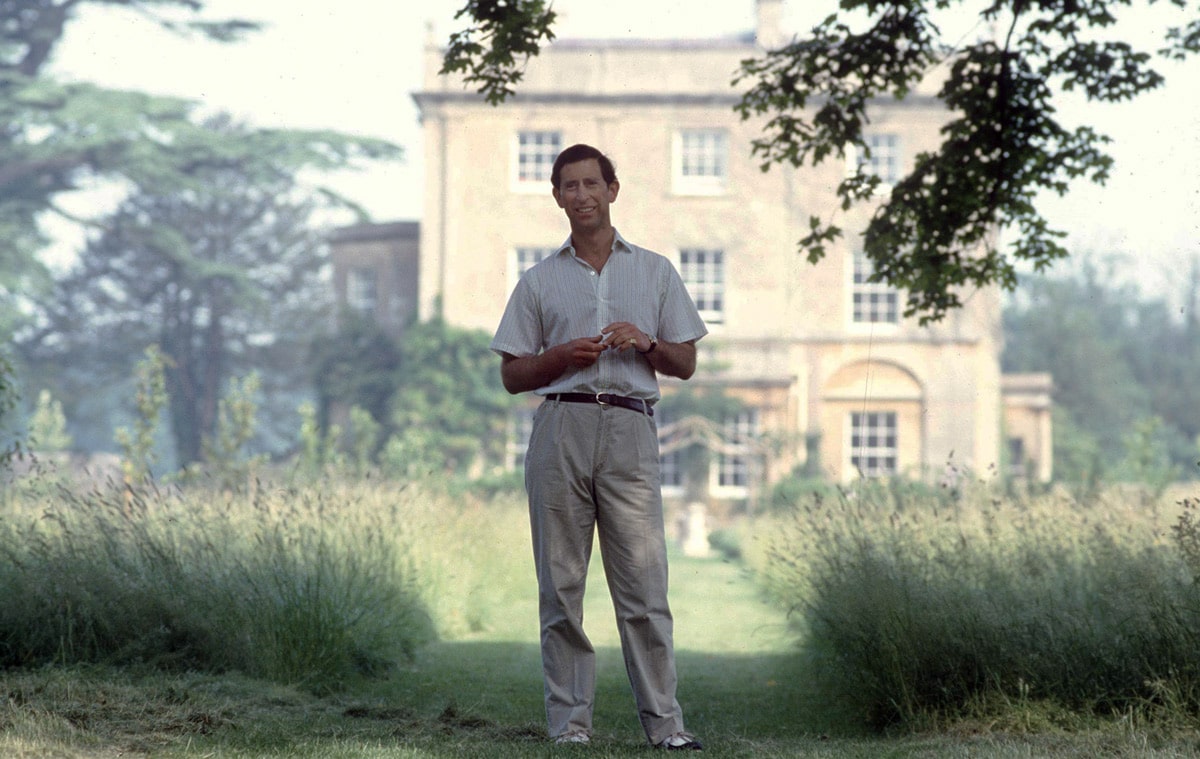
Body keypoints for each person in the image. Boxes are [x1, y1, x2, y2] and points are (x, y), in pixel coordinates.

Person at [490, 143, 707, 751]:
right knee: (560, 587)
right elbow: (511, 374)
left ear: (614, 190)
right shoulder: (538, 281)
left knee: (643, 585)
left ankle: (667, 728)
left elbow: (686, 362)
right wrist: (557, 359)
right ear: (557, 197)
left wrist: (645, 344)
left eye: (592, 183)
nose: (582, 195)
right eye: (569, 186)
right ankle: (570, 726)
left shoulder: (657, 271)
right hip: (562, 427)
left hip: (632, 430)